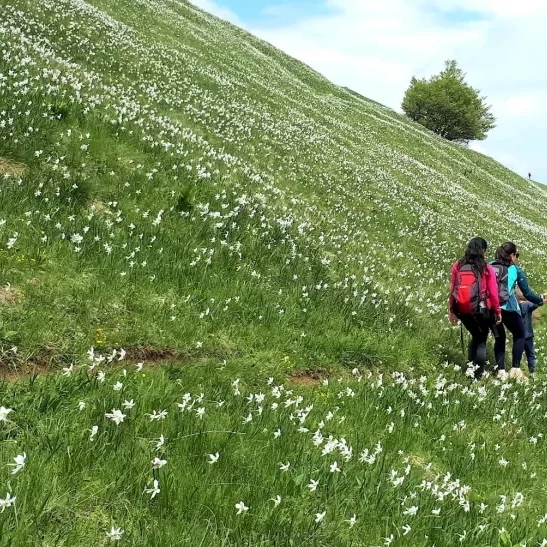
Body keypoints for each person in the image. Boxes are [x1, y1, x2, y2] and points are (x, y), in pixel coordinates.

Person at [491, 242, 545, 381]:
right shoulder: (515, 269)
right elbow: (527, 293)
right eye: (516, 255)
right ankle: (515, 368)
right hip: (507, 309)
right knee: (520, 334)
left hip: (490, 308)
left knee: (499, 338)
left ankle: (501, 372)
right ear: (512, 255)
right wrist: (539, 300)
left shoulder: (490, 265)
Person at [449, 237, 502, 379]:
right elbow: (493, 292)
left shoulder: (458, 265)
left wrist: (452, 311)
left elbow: (453, 289)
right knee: (481, 341)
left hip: (462, 310)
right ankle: (476, 376)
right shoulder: (485, 267)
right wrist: (497, 311)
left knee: (475, 336)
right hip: (481, 310)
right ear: (482, 250)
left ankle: (471, 369)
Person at [516, 288, 539, 376]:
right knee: (530, 355)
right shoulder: (528, 305)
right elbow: (536, 304)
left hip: (518, 336)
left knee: (518, 354)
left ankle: (517, 370)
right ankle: (532, 372)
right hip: (528, 335)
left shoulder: (516, 306)